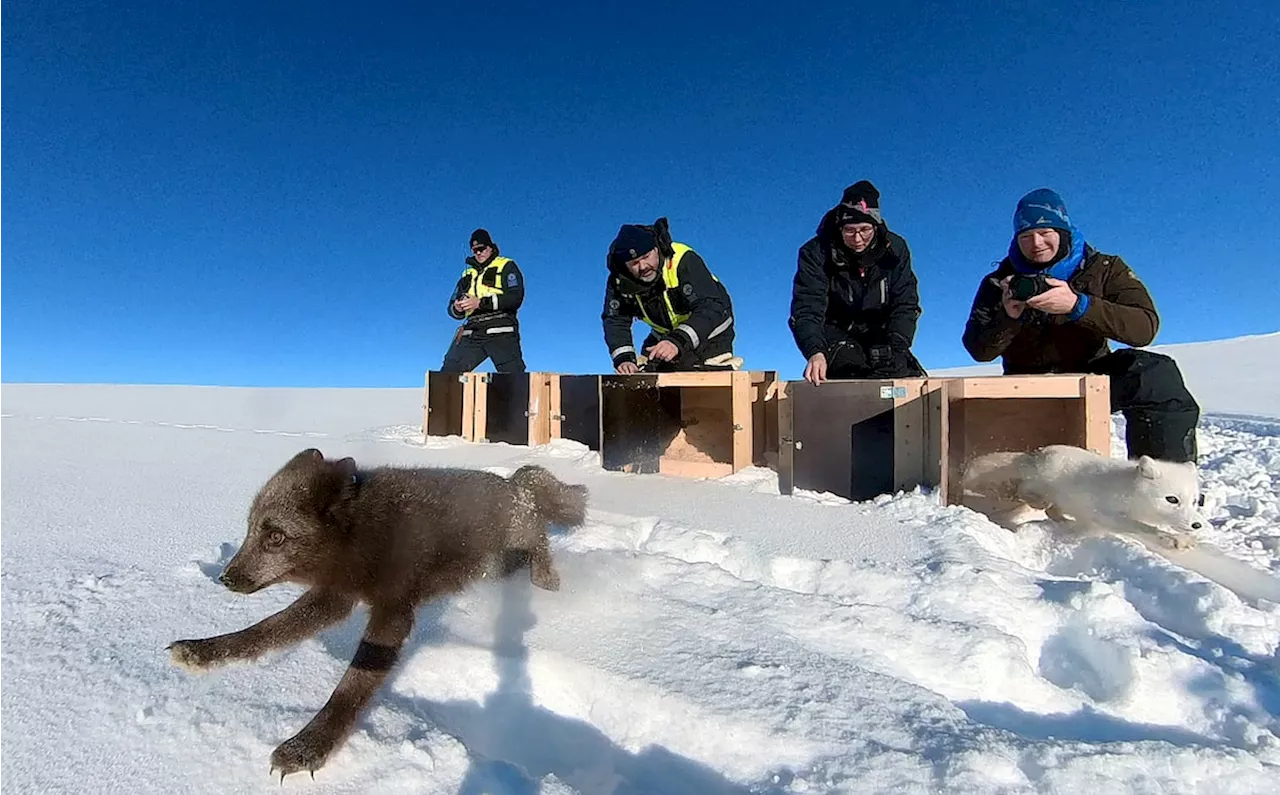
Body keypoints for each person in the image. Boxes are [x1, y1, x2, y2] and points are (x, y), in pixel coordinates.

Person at [961, 188, 1200, 463]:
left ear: (1063, 231)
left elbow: (1144, 328)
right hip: (1026, 384)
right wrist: (1008, 318)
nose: (1036, 243)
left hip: (1092, 375)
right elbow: (979, 351)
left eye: (1045, 232)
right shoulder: (999, 282)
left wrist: (1079, 306)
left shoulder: (1105, 269)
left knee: (1155, 374)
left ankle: (1162, 483)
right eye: (1025, 236)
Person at [788, 180, 926, 385]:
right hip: (834, 331)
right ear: (839, 227)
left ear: (875, 225)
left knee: (899, 370)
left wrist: (897, 343)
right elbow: (807, 308)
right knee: (851, 367)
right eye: (850, 231)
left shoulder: (894, 250)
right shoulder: (816, 252)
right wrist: (815, 351)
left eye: (864, 229)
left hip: (879, 331)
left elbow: (905, 302)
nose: (858, 238)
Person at [602, 217, 739, 373]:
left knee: (698, 374)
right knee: (649, 374)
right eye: (634, 263)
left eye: (646, 257)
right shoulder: (620, 281)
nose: (643, 266)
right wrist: (624, 359)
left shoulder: (682, 259)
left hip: (710, 332)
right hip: (666, 335)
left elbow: (711, 306)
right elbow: (615, 319)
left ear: (656, 248)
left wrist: (676, 341)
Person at [440, 228, 527, 373]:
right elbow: (451, 307)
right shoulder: (467, 274)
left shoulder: (506, 265)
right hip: (472, 330)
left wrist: (479, 303)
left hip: (501, 327)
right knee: (448, 374)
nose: (478, 253)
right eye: (474, 250)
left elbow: (515, 298)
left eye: (481, 248)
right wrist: (458, 308)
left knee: (513, 379)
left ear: (491, 248)